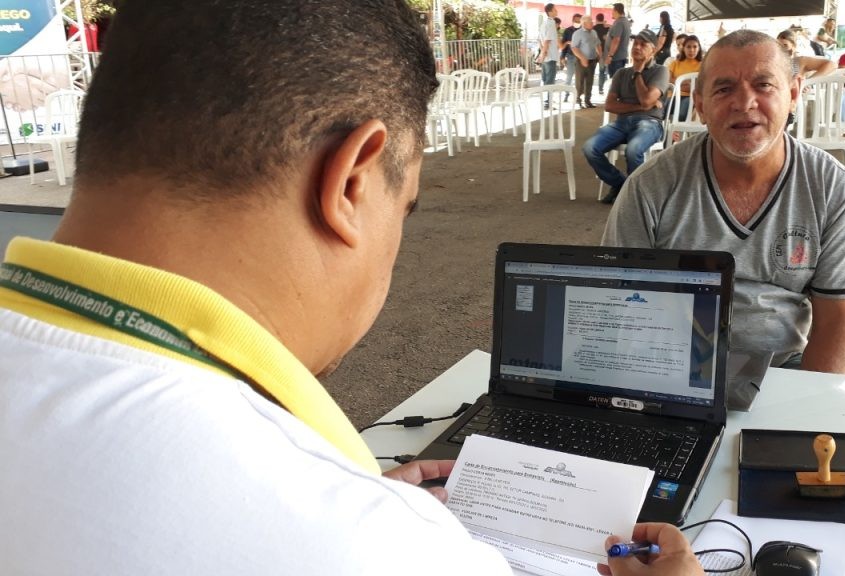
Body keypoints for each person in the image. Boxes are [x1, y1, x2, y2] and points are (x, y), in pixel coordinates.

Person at [0, 1, 704, 575]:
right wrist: (364, 515)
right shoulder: (369, 545)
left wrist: (354, 495)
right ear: (352, 181)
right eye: (405, 210)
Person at [603, 29, 845, 374]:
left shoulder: (834, 188)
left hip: (785, 368)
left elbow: (837, 319)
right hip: (672, 367)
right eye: (724, 89)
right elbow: (622, 303)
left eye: (764, 85)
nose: (744, 103)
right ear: (699, 105)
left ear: (793, 93)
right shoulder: (649, 186)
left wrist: (814, 405)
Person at [584, 28, 669, 205]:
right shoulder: (621, 73)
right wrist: (639, 106)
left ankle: (635, 198)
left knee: (633, 150)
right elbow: (609, 105)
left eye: (642, 44)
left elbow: (647, 101)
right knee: (590, 148)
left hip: (650, 123)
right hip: (621, 123)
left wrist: (638, 72)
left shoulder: (660, 71)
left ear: (652, 50)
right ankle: (622, 184)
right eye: (635, 43)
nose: (636, 47)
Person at [666, 34, 702, 124]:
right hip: (672, 95)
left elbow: (697, 87)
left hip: (689, 97)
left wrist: (677, 82)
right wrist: (686, 83)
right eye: (688, 47)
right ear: (684, 48)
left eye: (695, 47)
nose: (692, 50)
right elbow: (667, 80)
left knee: (681, 114)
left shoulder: (702, 65)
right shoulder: (675, 63)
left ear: (699, 48)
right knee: (660, 112)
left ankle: (676, 136)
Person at [572, 15, 603, 108]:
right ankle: (578, 101)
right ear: (584, 23)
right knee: (580, 82)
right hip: (581, 61)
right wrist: (582, 58)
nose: (592, 23)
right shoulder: (578, 33)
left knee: (589, 82)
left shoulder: (594, 32)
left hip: (592, 61)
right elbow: (574, 48)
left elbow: (598, 44)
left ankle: (587, 101)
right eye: (591, 21)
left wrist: (600, 54)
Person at [538, 3, 560, 108]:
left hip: (546, 56)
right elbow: (547, 40)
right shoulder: (551, 23)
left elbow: (540, 40)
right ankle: (547, 103)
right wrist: (543, 53)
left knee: (545, 79)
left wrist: (542, 52)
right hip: (550, 56)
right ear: (550, 11)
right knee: (550, 80)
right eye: (555, 10)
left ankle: (545, 101)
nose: (557, 11)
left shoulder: (543, 23)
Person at [603, 3, 632, 84]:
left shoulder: (619, 22)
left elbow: (616, 40)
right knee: (618, 81)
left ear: (616, 11)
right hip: (621, 56)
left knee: (615, 82)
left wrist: (610, 56)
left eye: (612, 11)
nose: (612, 13)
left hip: (616, 58)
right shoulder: (625, 21)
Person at [561, 13, 582, 101]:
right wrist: (562, 57)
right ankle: (566, 94)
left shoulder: (583, 31)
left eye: (579, 21)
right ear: (573, 20)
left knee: (579, 78)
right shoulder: (567, 30)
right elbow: (563, 44)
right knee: (569, 76)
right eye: (576, 20)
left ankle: (578, 96)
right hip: (570, 56)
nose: (577, 22)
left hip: (581, 56)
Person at [594, 12, 611, 94]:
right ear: (603, 19)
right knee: (602, 71)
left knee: (591, 70)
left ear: (596, 19)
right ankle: (601, 89)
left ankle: (587, 90)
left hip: (594, 52)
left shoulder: (593, 28)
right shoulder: (607, 28)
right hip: (604, 51)